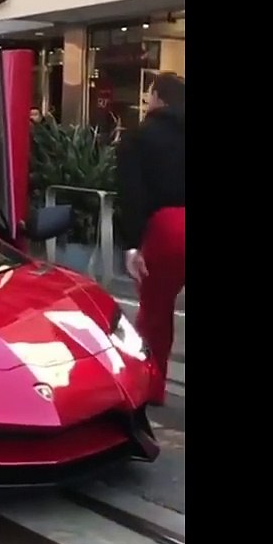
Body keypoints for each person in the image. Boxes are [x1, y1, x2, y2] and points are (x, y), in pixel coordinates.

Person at [116, 72, 185, 407]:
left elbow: (132, 195)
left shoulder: (139, 138)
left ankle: (151, 384)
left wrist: (131, 244)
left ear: (158, 97)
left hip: (167, 227)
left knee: (155, 313)